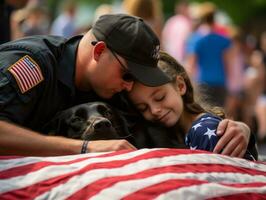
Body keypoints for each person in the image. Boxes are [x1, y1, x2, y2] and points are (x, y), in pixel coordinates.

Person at [0, 14, 252, 157]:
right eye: (128, 74)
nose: (129, 86)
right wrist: (84, 147)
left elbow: (168, 118)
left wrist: (235, 129)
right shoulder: (32, 64)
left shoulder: (110, 83)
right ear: (99, 51)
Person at [128, 51, 257, 160]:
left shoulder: (203, 130)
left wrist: (247, 131)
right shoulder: (170, 133)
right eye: (143, 108)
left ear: (180, 86)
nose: (154, 110)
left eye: (160, 98)